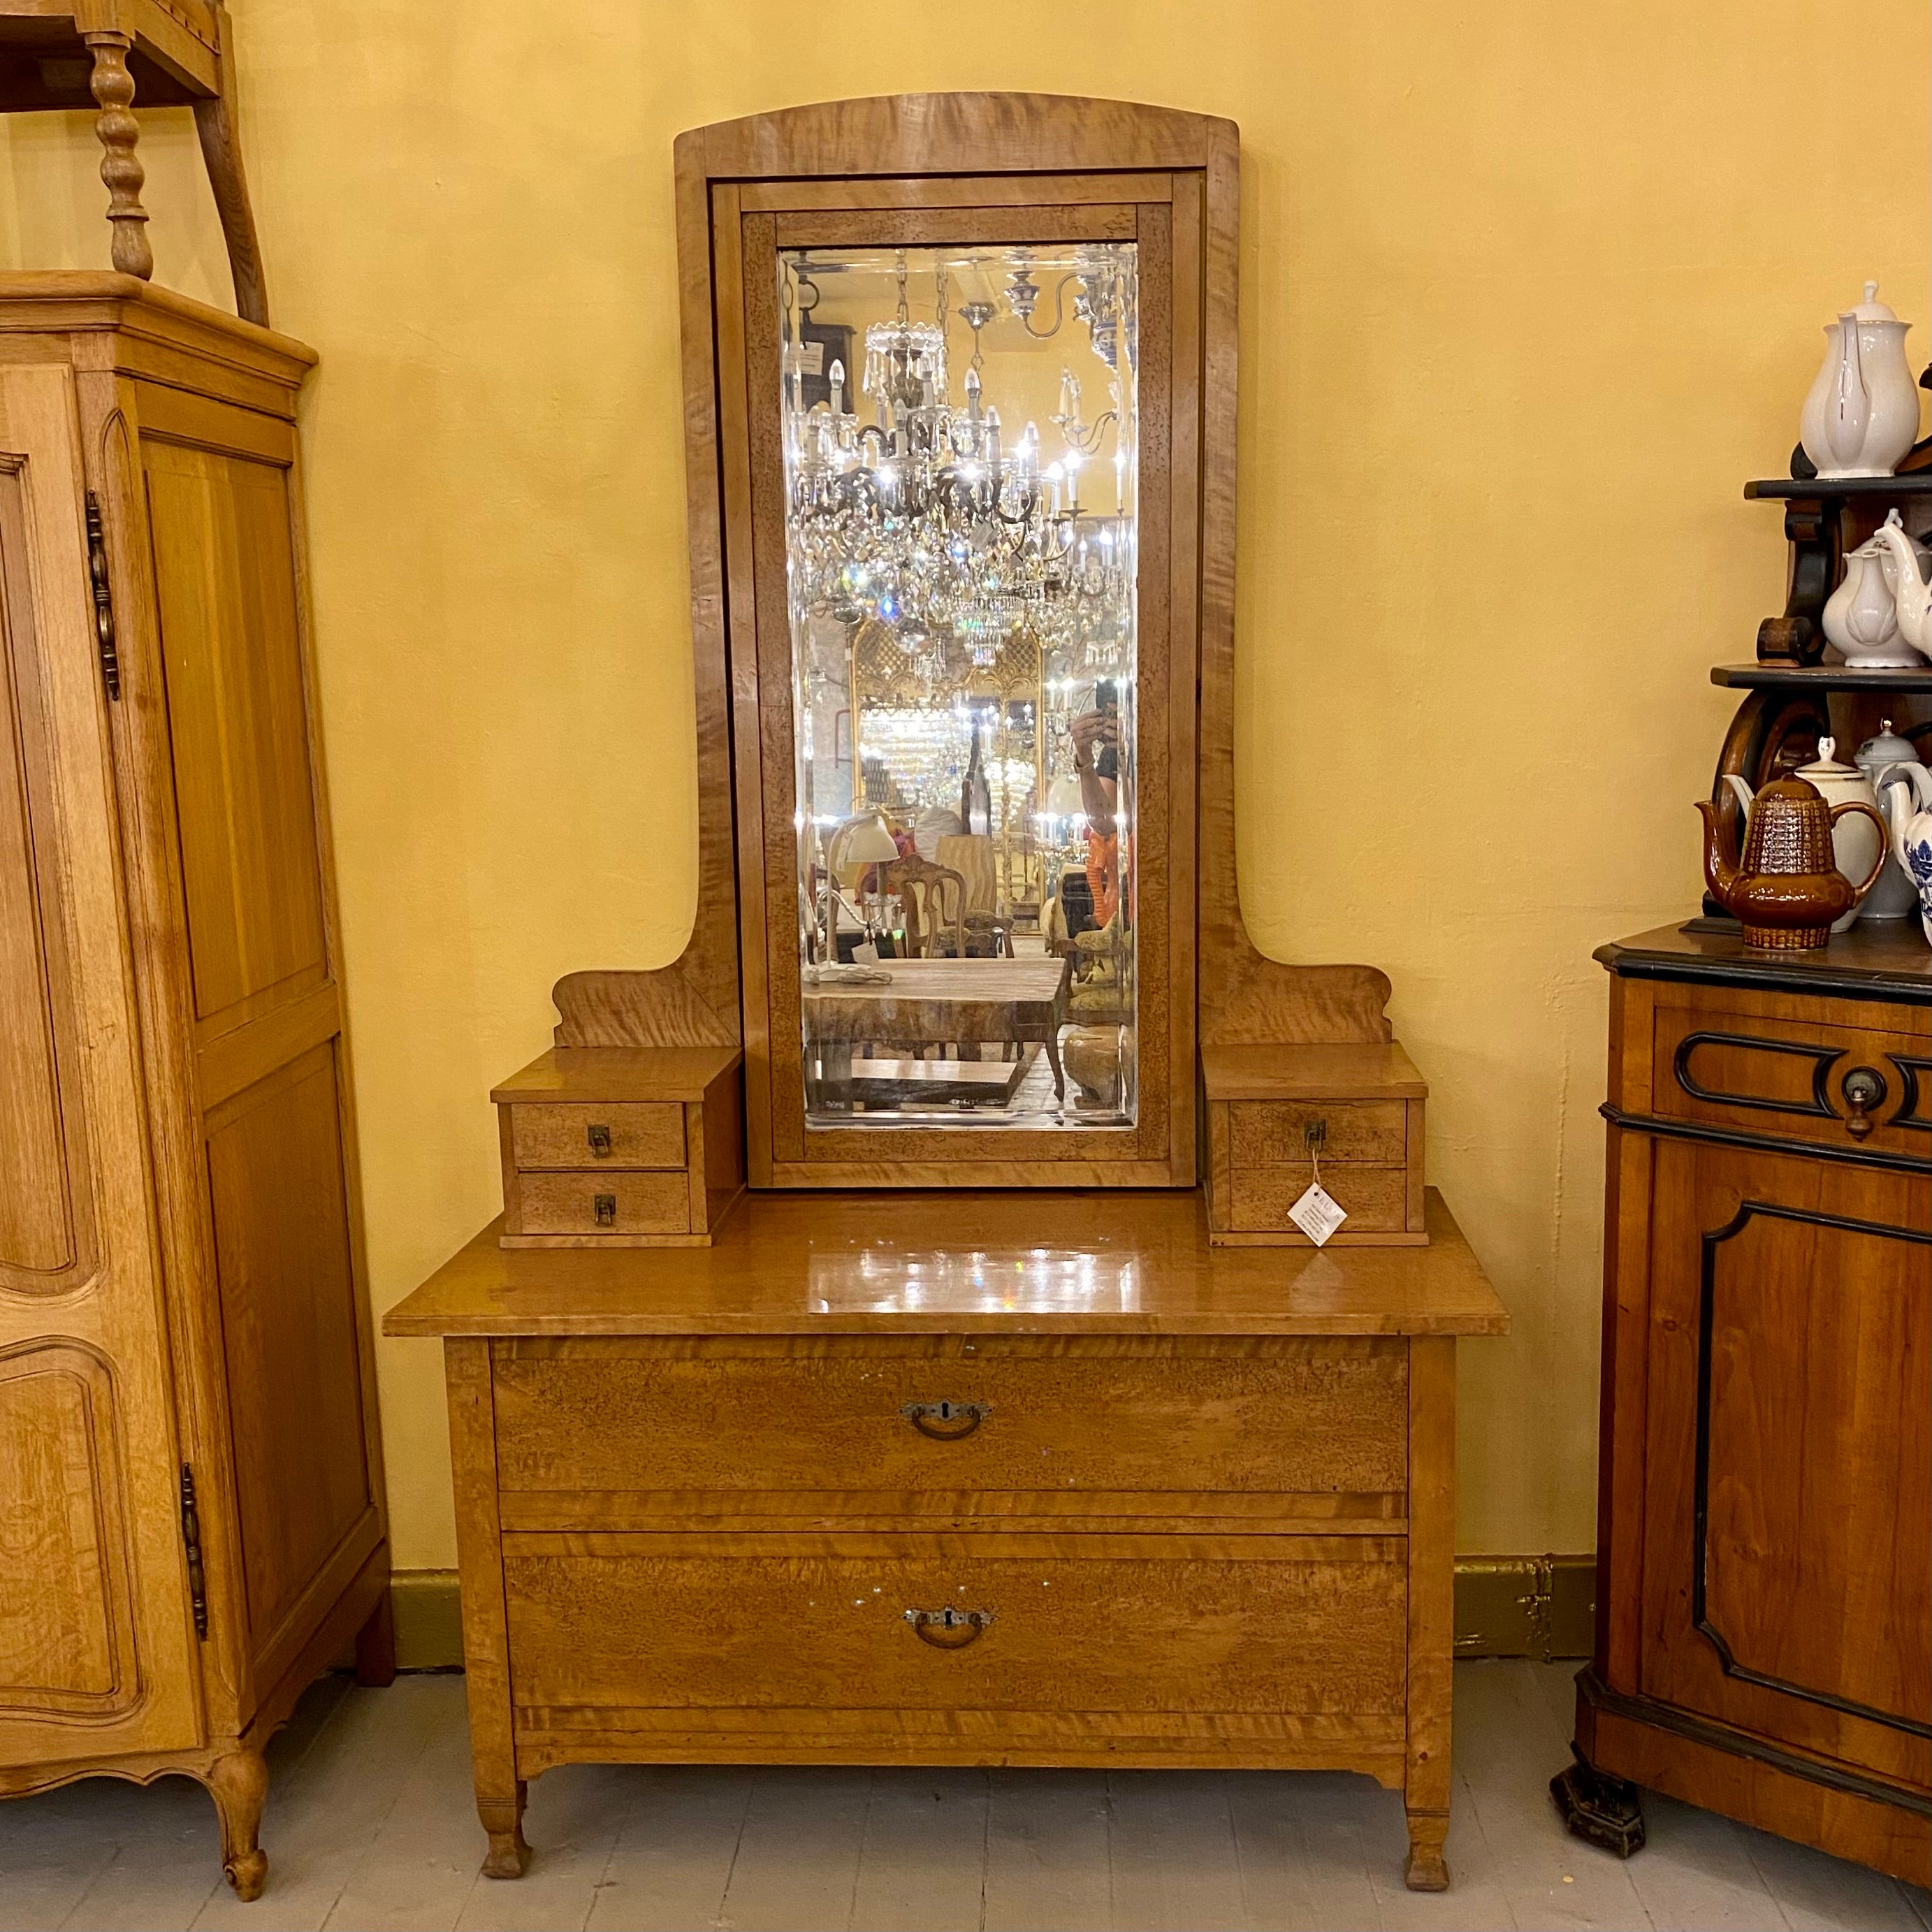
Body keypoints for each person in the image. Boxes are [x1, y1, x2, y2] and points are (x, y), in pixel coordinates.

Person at [1068, 685, 1126, 929]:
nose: (1113, 723)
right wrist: (1084, 756)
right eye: (1108, 716)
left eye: (1119, 715)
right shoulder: (1110, 756)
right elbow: (1103, 822)